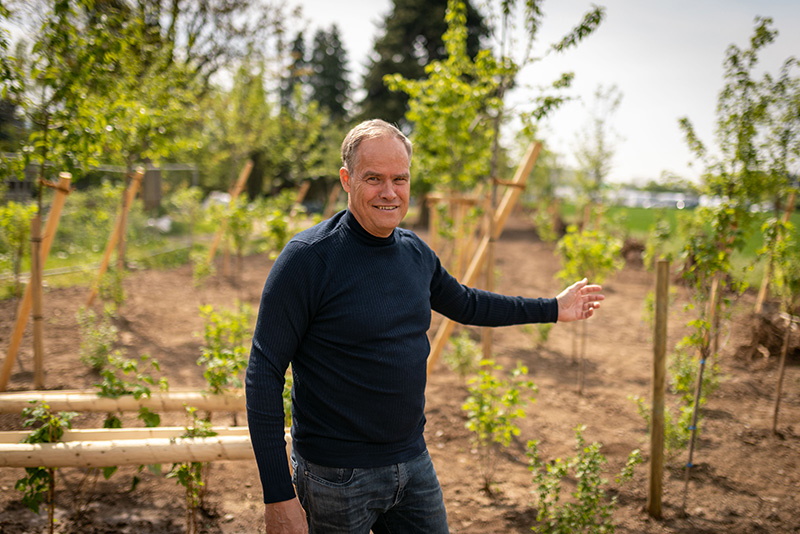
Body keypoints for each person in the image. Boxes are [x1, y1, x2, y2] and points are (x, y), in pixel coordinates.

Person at [245, 119, 604, 534]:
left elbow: (468, 304)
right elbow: (263, 373)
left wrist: (553, 308)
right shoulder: (308, 260)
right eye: (374, 178)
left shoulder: (414, 252)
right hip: (335, 476)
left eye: (400, 178)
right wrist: (277, 495)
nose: (390, 192)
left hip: (411, 463)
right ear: (347, 179)